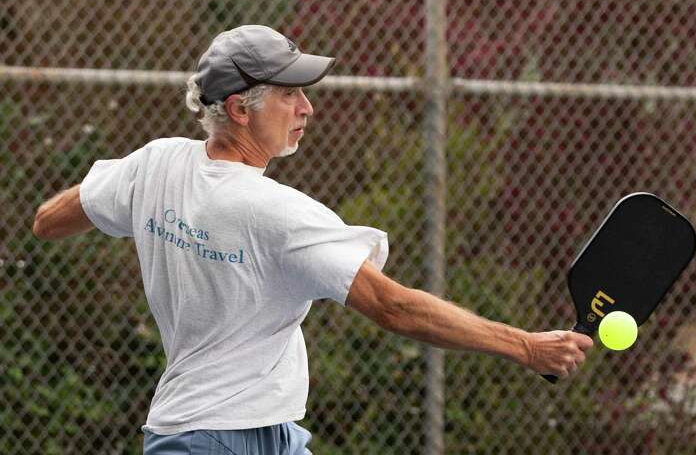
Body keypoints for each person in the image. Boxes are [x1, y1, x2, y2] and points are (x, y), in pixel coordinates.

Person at [32, 25, 592, 455]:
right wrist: (526, 346)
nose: (307, 108)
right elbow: (392, 306)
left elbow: (50, 219)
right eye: (288, 95)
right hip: (216, 438)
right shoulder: (277, 213)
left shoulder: (153, 166)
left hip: (252, 432)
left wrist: (131, 209)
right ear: (238, 110)